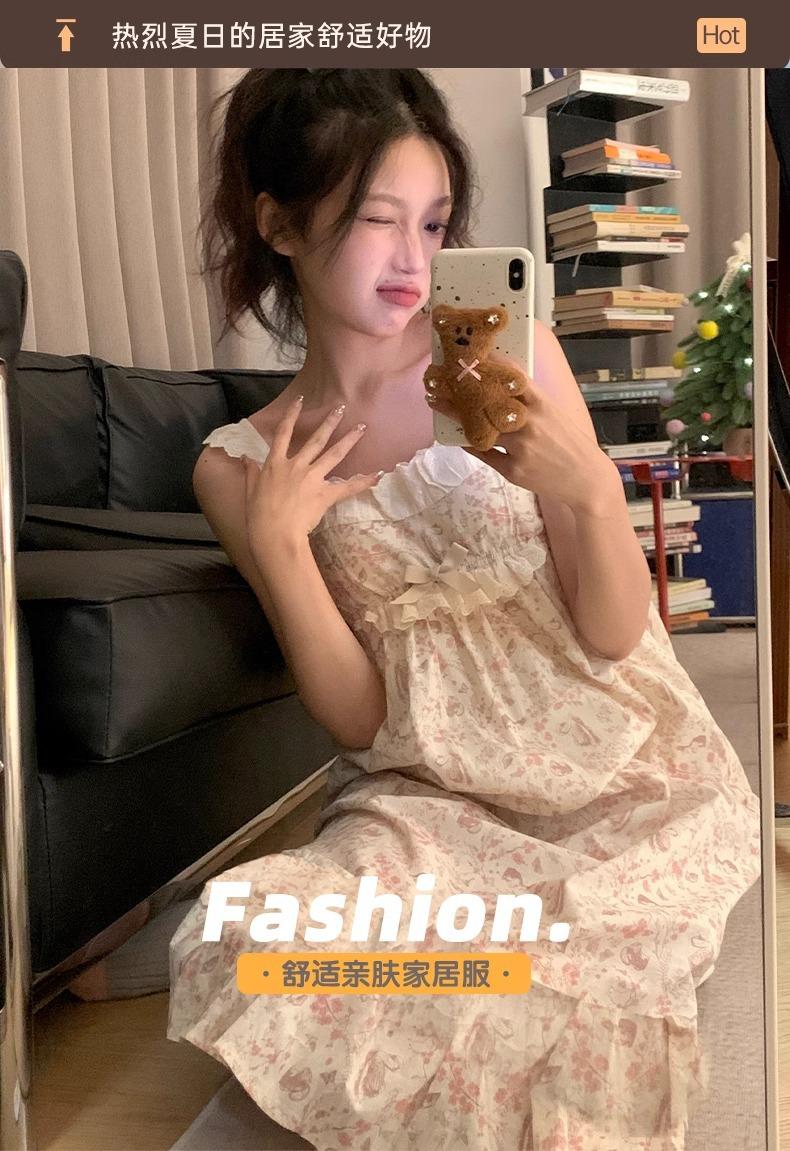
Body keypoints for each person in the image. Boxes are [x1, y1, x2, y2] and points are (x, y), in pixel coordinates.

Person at [166, 69, 761, 1151]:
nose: (415, 259)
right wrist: (284, 544)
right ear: (279, 223)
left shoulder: (514, 359)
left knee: (572, 977)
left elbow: (612, 632)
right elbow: (359, 720)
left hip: (608, 761)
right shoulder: (238, 465)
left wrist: (587, 490)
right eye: (375, 220)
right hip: (428, 794)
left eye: (434, 223)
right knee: (257, 942)